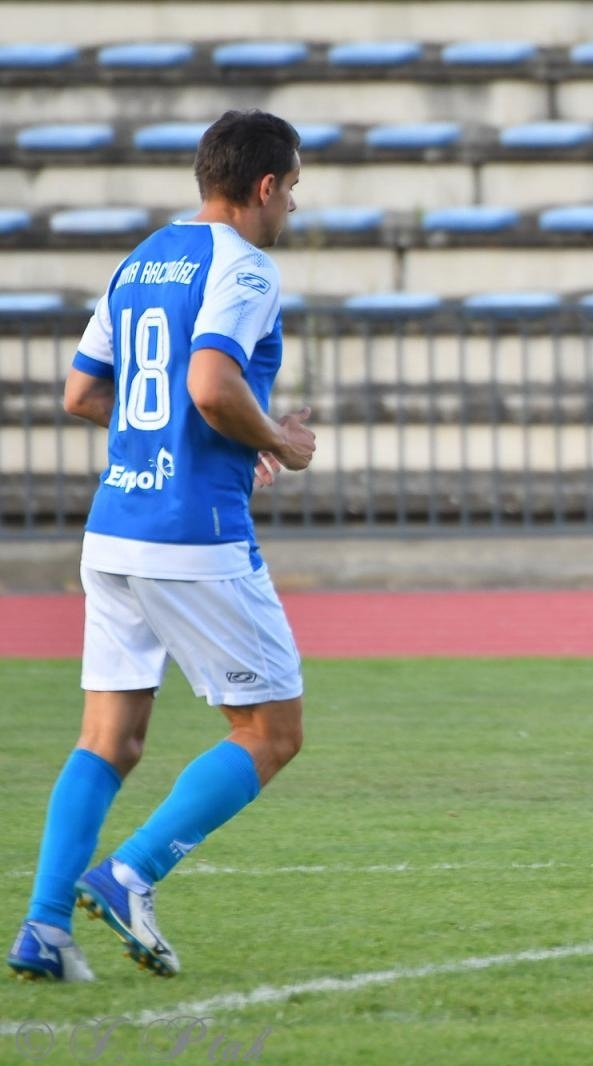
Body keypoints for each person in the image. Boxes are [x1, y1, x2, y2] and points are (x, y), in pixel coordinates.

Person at [7, 109, 314, 981]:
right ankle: (132, 872)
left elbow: (81, 393)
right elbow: (212, 385)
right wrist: (277, 441)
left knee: (107, 739)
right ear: (264, 186)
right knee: (271, 731)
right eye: (292, 190)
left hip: (114, 529)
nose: (292, 207)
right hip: (193, 535)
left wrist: (204, 440)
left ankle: (44, 930)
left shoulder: (141, 259)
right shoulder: (245, 266)